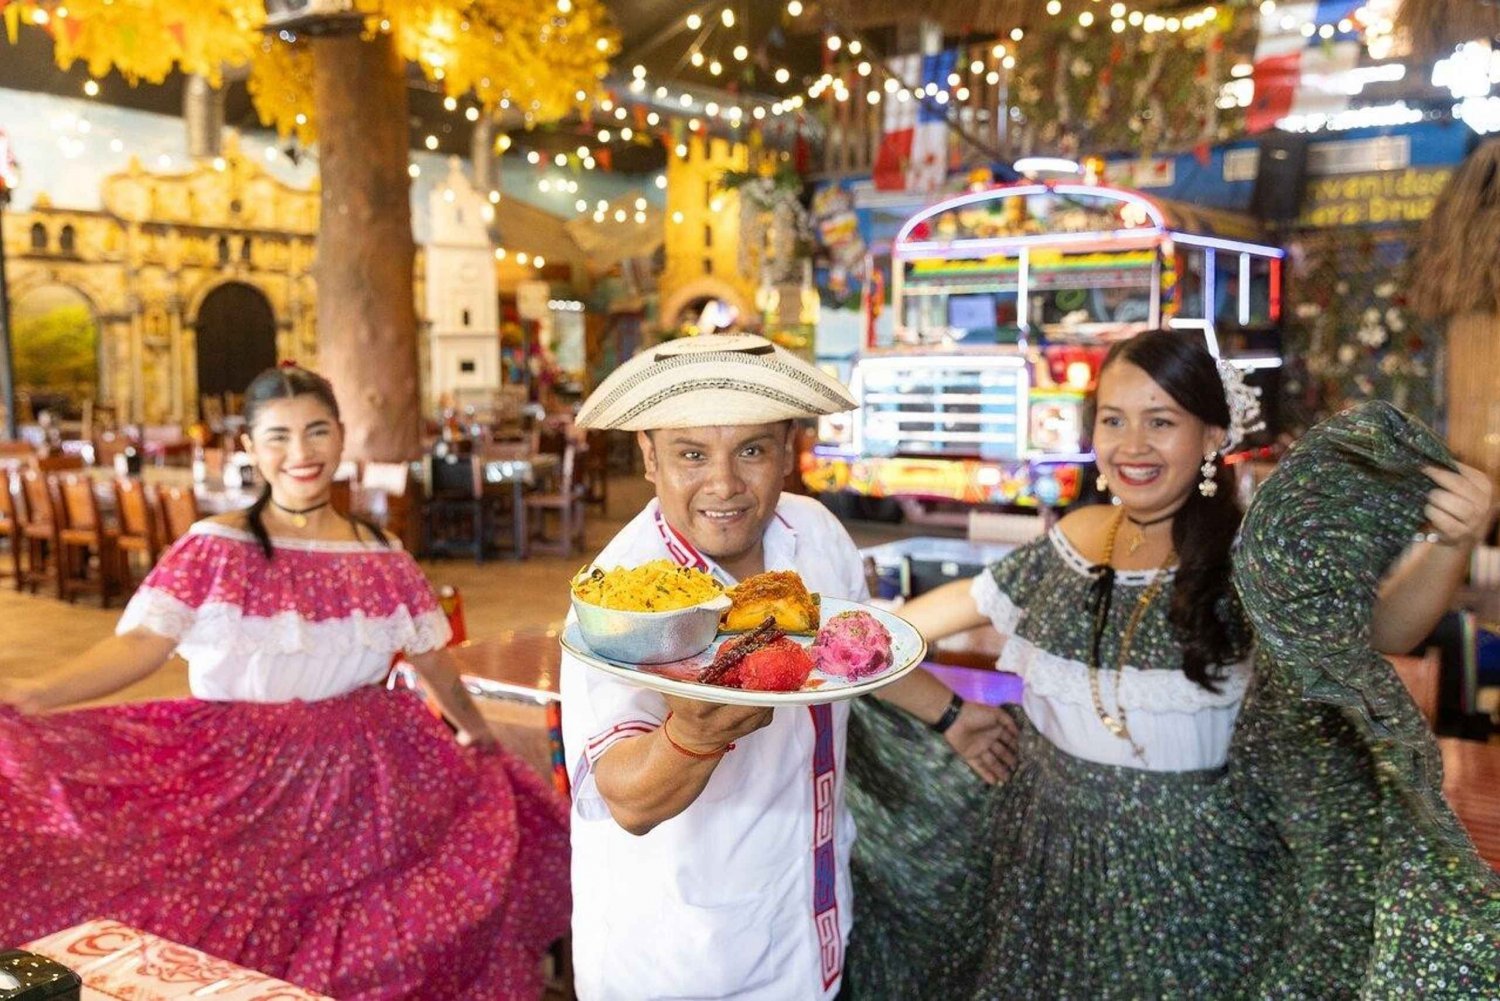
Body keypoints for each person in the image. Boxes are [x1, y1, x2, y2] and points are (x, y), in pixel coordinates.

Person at [859, 329, 1494, 999]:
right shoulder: (1076, 536)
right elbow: (947, 609)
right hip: (1042, 857)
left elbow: (1376, 631)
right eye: (1113, 419)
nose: (1132, 445)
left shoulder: (1254, 556)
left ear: (1212, 435)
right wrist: (853, 641)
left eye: (1160, 421)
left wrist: (1452, 543)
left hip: (1195, 880)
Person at [0, 365, 570, 1001]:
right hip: (240, 773)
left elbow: (431, 662)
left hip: (371, 775)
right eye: (278, 436)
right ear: (248, 447)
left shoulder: (382, 556)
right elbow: (140, 646)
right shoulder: (215, 547)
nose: (300, 454)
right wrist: (34, 699)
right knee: (231, 924)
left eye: (317, 431)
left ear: (341, 435)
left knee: (398, 924)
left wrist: (477, 735)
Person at [559, 333, 1016, 1001]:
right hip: (685, 963)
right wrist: (694, 736)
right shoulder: (621, 597)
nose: (724, 484)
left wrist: (951, 715)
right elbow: (624, 797)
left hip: (810, 927)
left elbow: (858, 644)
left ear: (790, 452)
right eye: (692, 454)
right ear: (649, 457)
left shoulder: (813, 530)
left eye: (751, 450)